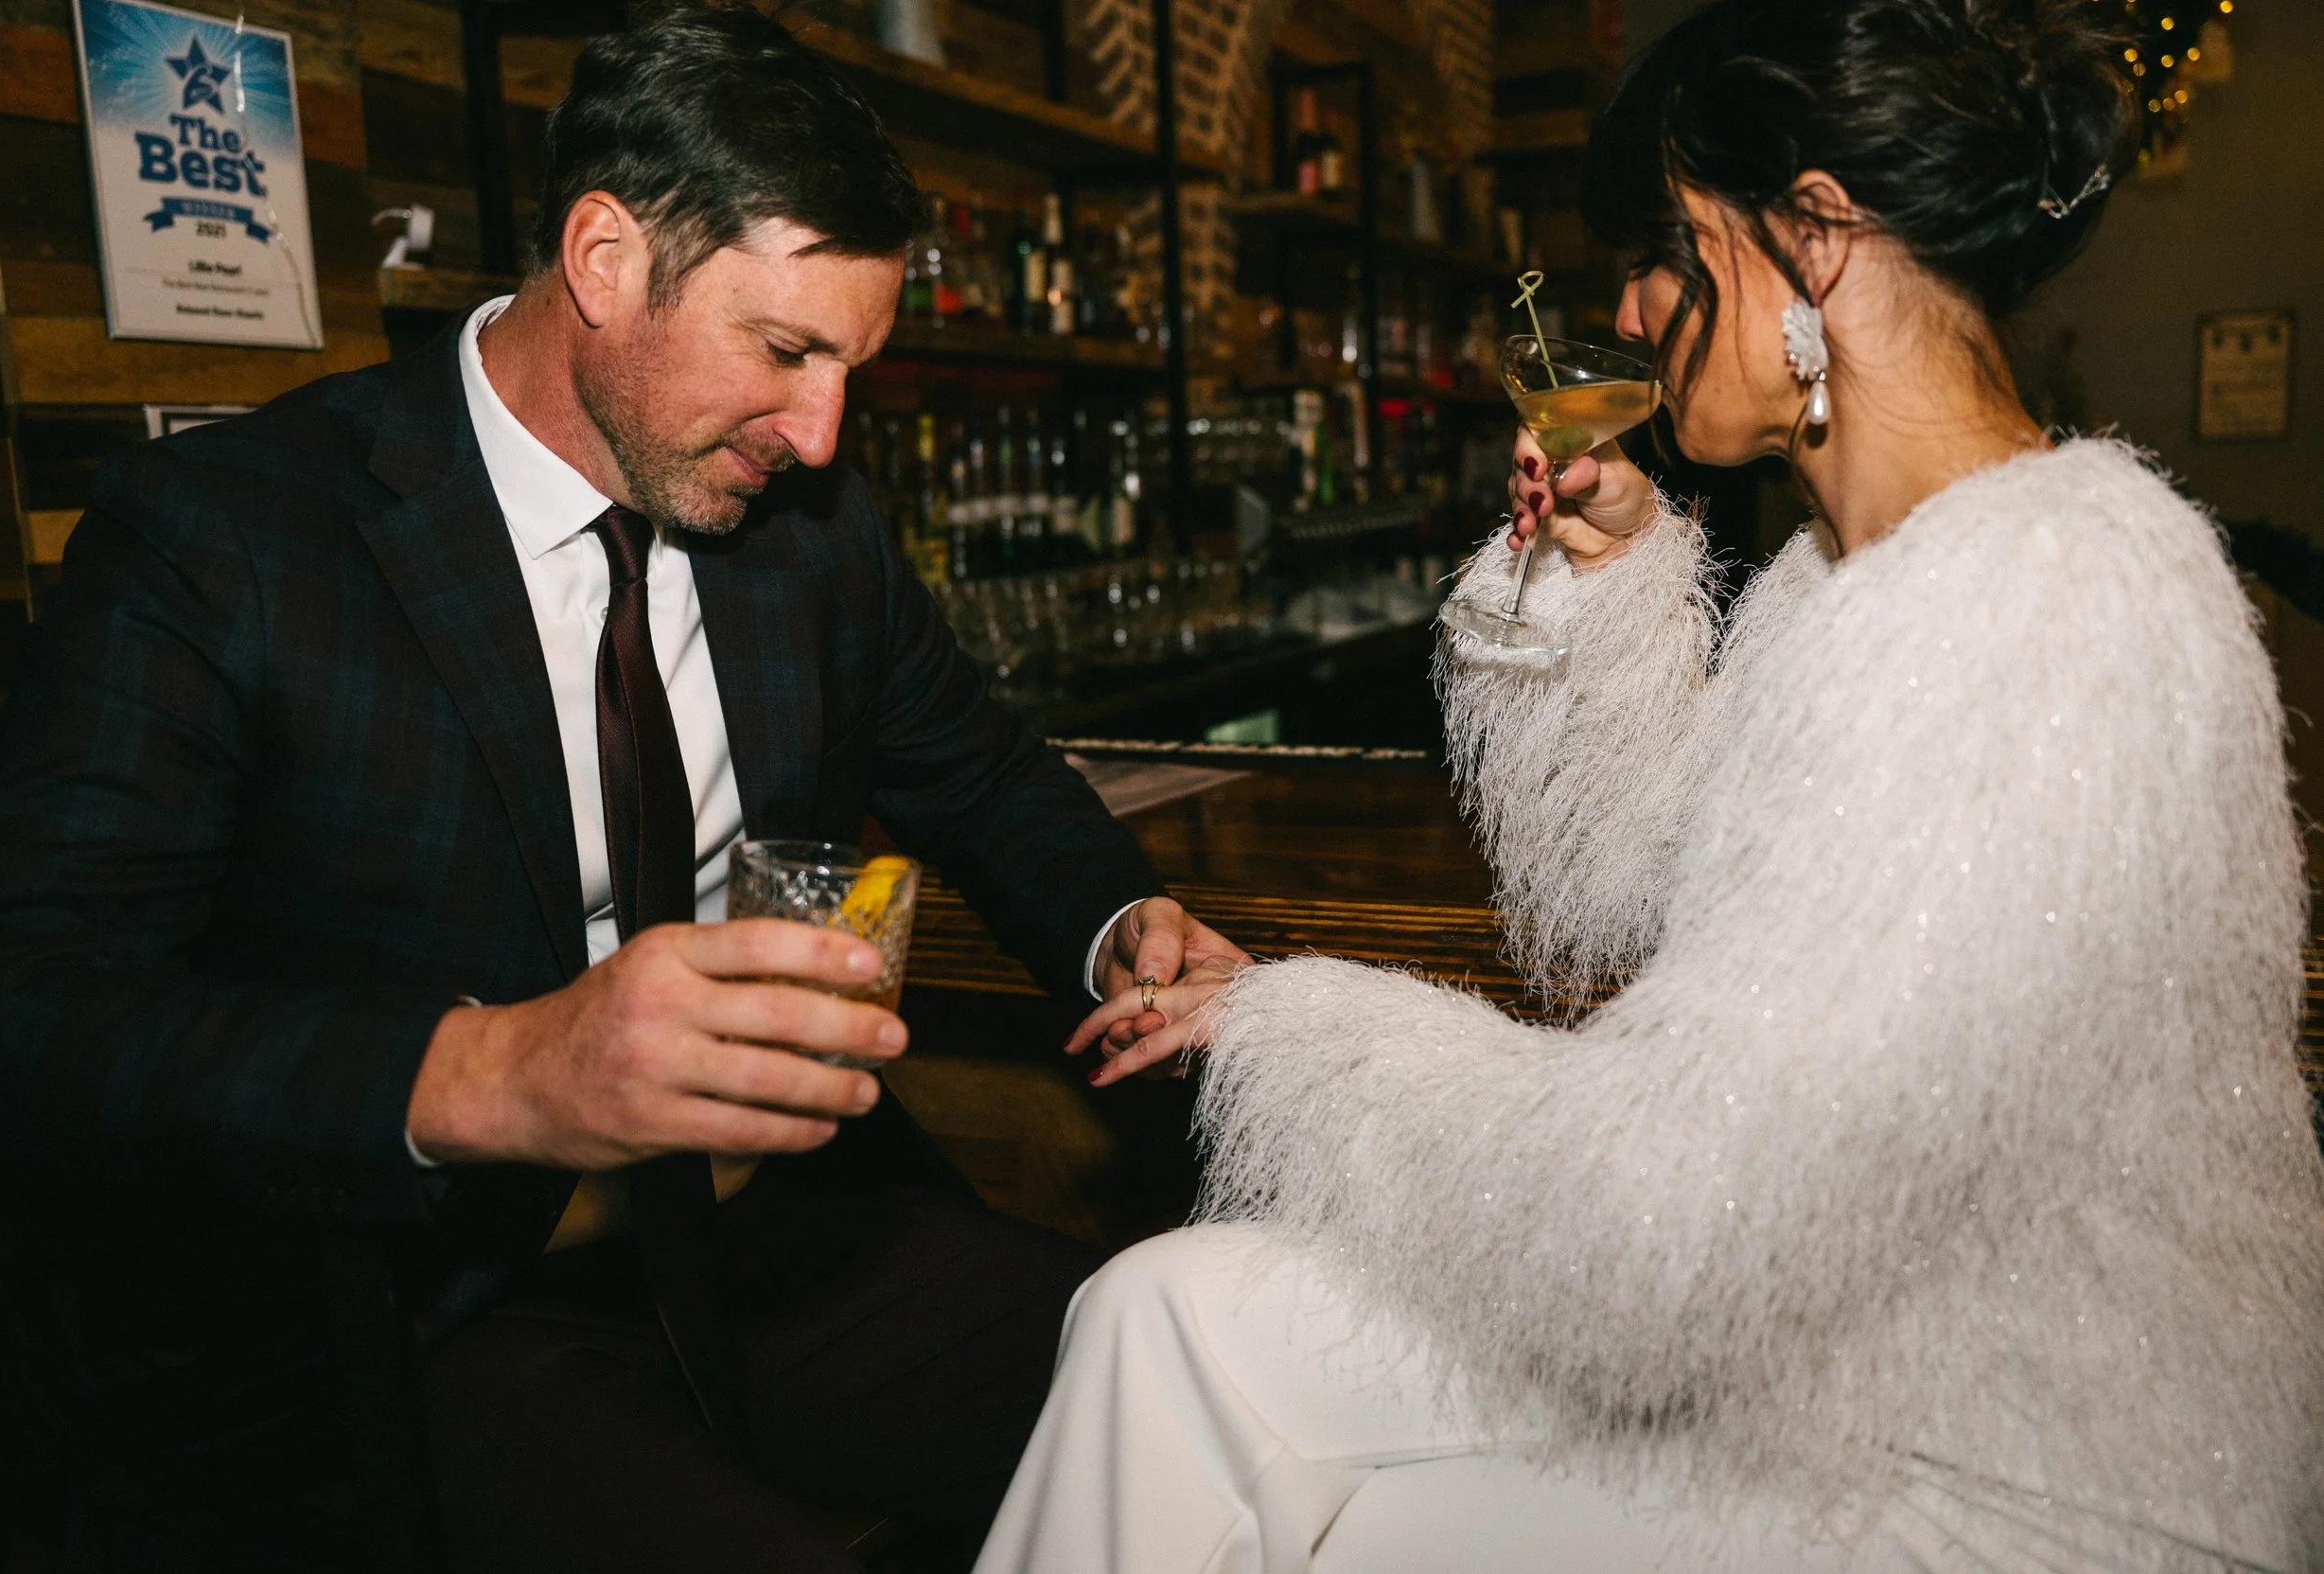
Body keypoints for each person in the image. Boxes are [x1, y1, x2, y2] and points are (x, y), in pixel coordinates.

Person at [983, 2, 2324, 1569]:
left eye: (1669, 248)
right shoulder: (1856, 571)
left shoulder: (2048, 594)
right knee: (1164, 1313)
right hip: (1853, 1358)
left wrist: (1283, 1026)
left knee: (1351, 1525)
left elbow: (1661, 1210)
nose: (1629, 303)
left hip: (2039, 1465)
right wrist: (1613, 587)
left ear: (1812, 236)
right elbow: (1645, 883)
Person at [0, 8, 1237, 1569]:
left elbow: (977, 768)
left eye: (850, 366)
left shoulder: (813, 530)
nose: (822, 432)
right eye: (784, 352)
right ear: (606, 257)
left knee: (1218, 1389)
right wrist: (499, 1071)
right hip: (421, 1306)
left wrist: (1122, 930)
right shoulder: (225, 539)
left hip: (781, 1238)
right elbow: (24, 1005)